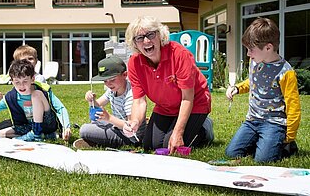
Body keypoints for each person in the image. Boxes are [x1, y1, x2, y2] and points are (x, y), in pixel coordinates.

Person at [124, 16, 213, 154]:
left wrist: (178, 132)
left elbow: (187, 98)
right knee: (150, 145)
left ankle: (204, 129)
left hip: (195, 103)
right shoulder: (134, 63)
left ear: (159, 35)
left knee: (171, 146)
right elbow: (139, 101)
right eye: (139, 38)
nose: (146, 41)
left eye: (150, 34)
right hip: (165, 107)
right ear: (135, 44)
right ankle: (181, 126)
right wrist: (135, 122)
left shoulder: (180, 55)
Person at [225, 17, 301, 162]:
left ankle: (284, 146)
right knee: (231, 153)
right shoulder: (255, 61)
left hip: (274, 123)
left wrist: (289, 137)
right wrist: (237, 88)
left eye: (251, 50)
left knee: (263, 160)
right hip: (252, 121)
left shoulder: (286, 72)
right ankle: (263, 142)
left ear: (268, 47)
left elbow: (293, 106)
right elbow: (253, 81)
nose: (248, 54)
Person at [0, 59, 71, 142]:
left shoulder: (43, 90)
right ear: (12, 81)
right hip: (28, 125)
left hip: (47, 123)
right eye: (17, 82)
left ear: (32, 79)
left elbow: (60, 108)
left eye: (25, 81)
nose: (21, 86)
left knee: (36, 95)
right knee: (0, 134)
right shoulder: (11, 97)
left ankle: (37, 134)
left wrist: (67, 127)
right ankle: (47, 136)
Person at [73, 55, 146, 149]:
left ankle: (95, 141)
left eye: (112, 79)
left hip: (129, 137)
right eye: (105, 81)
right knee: (95, 122)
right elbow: (97, 105)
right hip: (117, 127)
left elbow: (130, 126)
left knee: (84, 129)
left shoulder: (130, 95)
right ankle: (95, 139)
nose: (108, 84)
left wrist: (109, 118)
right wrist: (91, 100)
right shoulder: (113, 90)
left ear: (124, 75)